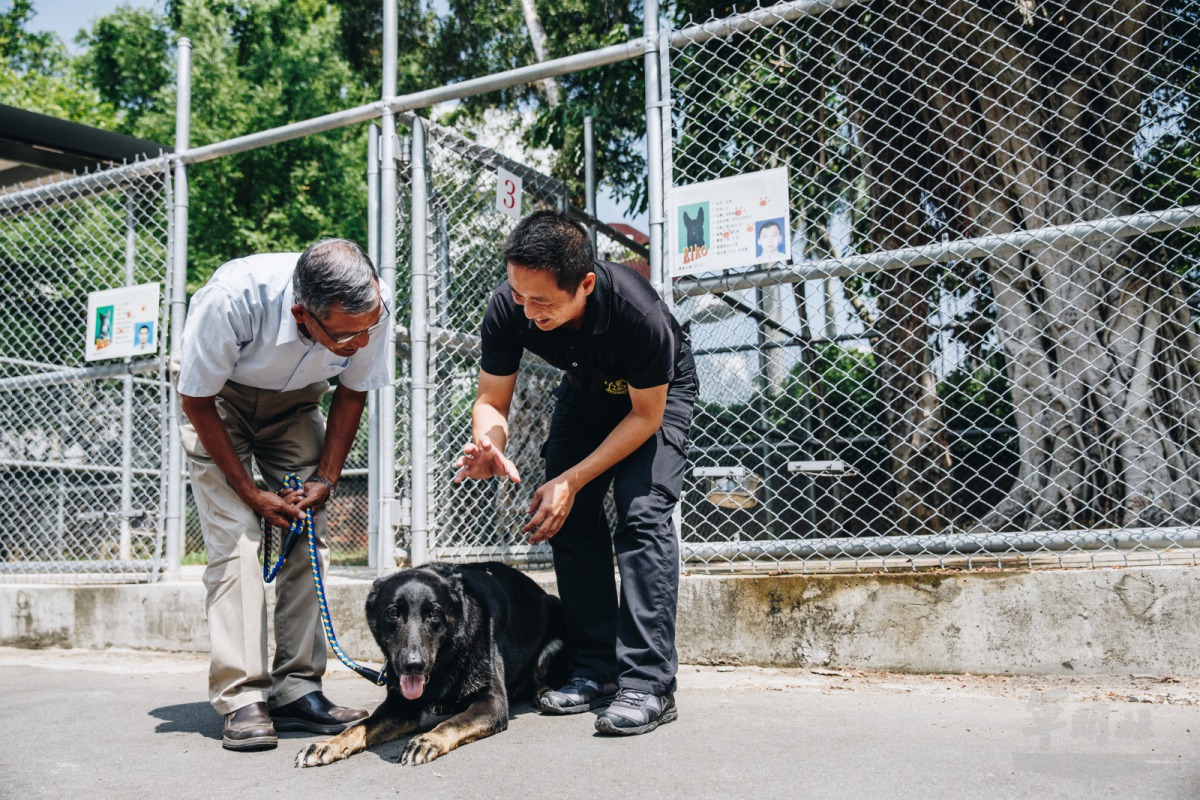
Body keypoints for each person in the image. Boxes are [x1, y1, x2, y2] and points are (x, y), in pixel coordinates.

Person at [453, 210, 698, 736]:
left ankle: (649, 683)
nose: (527, 309)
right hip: (587, 393)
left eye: (542, 301)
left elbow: (645, 416)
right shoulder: (510, 304)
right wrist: (489, 443)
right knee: (565, 518)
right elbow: (491, 400)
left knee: (642, 514)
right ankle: (597, 669)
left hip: (652, 400)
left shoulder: (638, 313)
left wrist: (572, 479)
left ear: (585, 284)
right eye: (520, 295)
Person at [177, 239, 391, 752]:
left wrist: (327, 477)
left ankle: (296, 689)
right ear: (302, 314)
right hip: (219, 403)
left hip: (297, 405)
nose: (361, 341)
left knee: (306, 532)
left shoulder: (372, 307)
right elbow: (196, 399)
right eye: (345, 335)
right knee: (238, 541)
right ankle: (243, 696)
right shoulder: (232, 299)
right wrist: (249, 492)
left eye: (368, 328)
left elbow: (353, 390)